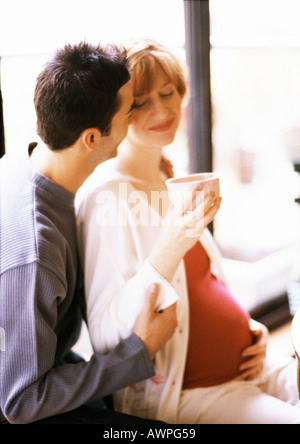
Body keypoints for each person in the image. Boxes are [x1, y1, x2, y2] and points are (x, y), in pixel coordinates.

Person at [76, 39, 300, 424]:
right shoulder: (105, 197)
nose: (162, 109)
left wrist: (247, 329)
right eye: (142, 101)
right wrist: (173, 241)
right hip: (186, 391)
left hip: (247, 368)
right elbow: (106, 334)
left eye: (169, 93)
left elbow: (201, 283)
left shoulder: (168, 176)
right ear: (119, 110)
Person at [0, 42, 178, 425]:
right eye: (131, 110)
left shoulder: (23, 161)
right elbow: (21, 402)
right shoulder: (35, 249)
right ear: (92, 139)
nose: (136, 118)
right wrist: (138, 350)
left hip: (55, 364)